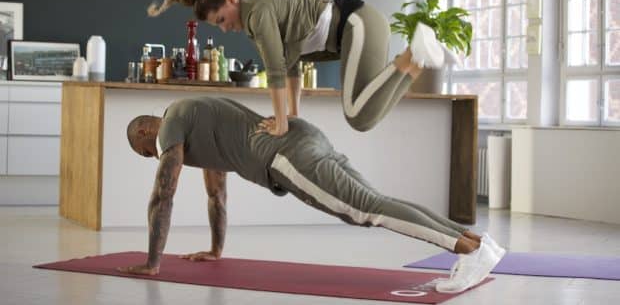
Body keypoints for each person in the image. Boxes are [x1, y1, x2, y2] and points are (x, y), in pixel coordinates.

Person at [118, 96, 505, 293]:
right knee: (375, 200)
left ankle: (467, 251)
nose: (152, 155)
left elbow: (161, 195)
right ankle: (477, 241)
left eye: (144, 153)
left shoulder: (170, 126)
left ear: (143, 134)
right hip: (303, 136)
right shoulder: (195, 118)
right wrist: (216, 249)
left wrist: (152, 262)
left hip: (283, 156)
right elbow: (216, 194)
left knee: (367, 209)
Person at [147, 0, 459, 135]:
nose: (225, 28)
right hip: (360, 26)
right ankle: (416, 61)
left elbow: (276, 71)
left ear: (231, 0)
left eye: (221, 20)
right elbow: (291, 64)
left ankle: (412, 52)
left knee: (356, 114)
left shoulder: (258, 14)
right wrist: (293, 114)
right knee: (364, 118)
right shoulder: (260, 18)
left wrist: (281, 123)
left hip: (357, 23)